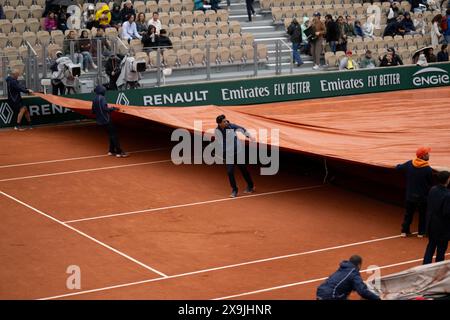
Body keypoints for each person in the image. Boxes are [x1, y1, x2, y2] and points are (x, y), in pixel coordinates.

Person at [396, 147, 433, 237]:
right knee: (422, 215)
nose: (429, 155)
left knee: (408, 214)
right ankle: (421, 232)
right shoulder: (428, 169)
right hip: (423, 197)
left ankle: (404, 231)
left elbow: (398, 167)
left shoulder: (409, 164)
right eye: (427, 153)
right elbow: (430, 182)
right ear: (423, 156)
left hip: (410, 195)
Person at [215, 114, 254, 198]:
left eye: (226, 120)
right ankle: (234, 190)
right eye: (224, 121)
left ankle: (250, 185)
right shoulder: (217, 131)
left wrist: (249, 136)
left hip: (238, 152)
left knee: (243, 169)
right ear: (219, 124)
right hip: (229, 154)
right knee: (230, 172)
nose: (226, 122)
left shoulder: (231, 126)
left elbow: (242, 129)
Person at [316, 255, 380, 300]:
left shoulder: (343, 268)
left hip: (320, 292)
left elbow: (346, 283)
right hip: (331, 296)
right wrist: (377, 298)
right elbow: (362, 292)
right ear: (359, 265)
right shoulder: (354, 273)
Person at [91, 85, 128, 158]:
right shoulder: (102, 98)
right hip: (106, 119)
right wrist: (113, 109)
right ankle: (119, 152)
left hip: (100, 121)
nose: (105, 91)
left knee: (111, 135)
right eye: (104, 90)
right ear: (101, 91)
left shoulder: (94, 99)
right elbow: (105, 108)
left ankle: (111, 151)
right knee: (114, 135)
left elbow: (93, 111)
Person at [423, 171, 450, 264]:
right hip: (442, 227)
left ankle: (425, 266)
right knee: (441, 250)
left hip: (431, 224)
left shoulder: (432, 189)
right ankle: (438, 269)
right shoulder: (447, 194)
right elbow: (447, 212)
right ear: (447, 180)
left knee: (430, 246)